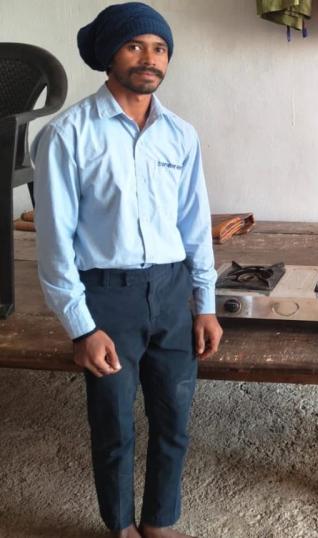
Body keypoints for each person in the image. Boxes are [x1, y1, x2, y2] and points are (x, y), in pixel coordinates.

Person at [32, 3, 223, 537]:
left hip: (171, 292)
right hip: (107, 298)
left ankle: (159, 522)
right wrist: (81, 327)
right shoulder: (68, 135)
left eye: (160, 48)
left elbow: (194, 225)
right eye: (135, 45)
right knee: (113, 425)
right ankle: (119, 527)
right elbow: (55, 242)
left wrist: (204, 304)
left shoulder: (180, 135)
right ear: (109, 55)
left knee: (174, 419)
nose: (150, 58)